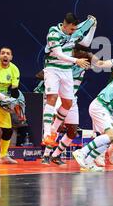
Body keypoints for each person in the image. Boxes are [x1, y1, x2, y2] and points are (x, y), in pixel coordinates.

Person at [41, 13, 96, 147]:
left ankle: (54, 130)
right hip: (53, 68)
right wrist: (76, 60)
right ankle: (47, 134)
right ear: (65, 25)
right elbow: (59, 54)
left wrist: (93, 26)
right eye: (71, 29)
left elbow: (86, 42)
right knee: (52, 98)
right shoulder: (53, 32)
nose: (73, 32)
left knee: (68, 103)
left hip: (66, 70)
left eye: (75, 29)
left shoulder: (74, 31)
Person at [41, 44, 98, 165]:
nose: (86, 54)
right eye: (82, 51)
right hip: (59, 98)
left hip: (72, 99)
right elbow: (41, 74)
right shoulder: (62, 62)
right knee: (56, 125)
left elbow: (98, 62)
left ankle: (55, 155)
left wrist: (87, 54)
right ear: (75, 51)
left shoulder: (84, 63)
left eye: (86, 52)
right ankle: (46, 155)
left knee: (73, 131)